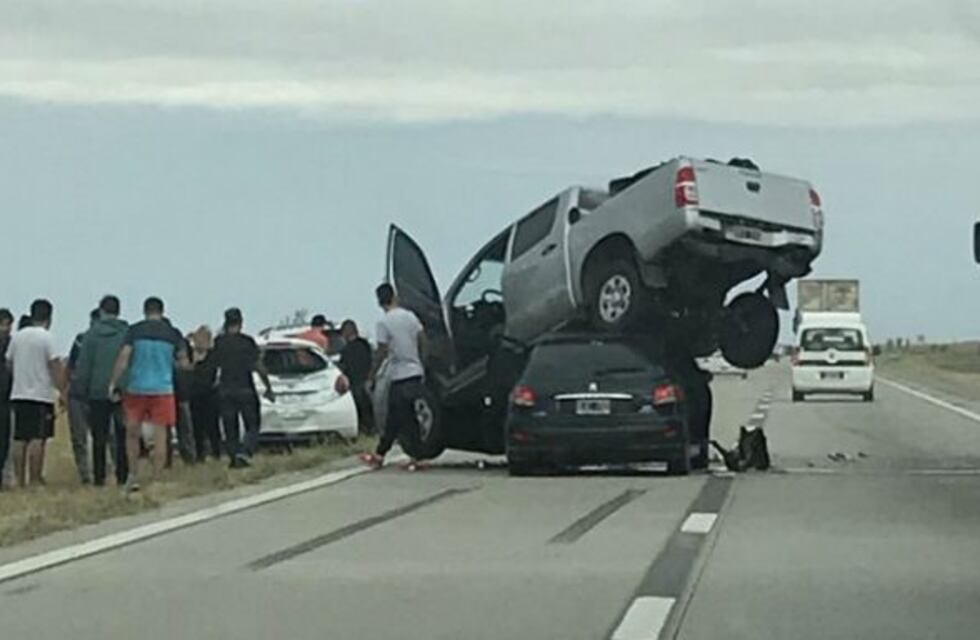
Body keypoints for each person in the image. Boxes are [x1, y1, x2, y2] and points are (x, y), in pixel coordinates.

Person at [108, 297, 190, 492]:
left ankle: (133, 475)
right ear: (162, 311)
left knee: (132, 433)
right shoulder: (173, 333)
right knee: (161, 435)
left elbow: (124, 358)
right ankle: (157, 477)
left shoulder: (134, 331)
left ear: (145, 311)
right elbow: (184, 363)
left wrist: (113, 382)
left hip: (137, 387)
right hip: (163, 389)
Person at [363, 284, 427, 468]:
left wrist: (372, 375)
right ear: (395, 297)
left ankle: (381, 454)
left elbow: (381, 351)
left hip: (399, 374)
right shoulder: (410, 316)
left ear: (379, 302)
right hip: (415, 372)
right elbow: (423, 340)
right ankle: (415, 456)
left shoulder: (384, 323)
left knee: (395, 417)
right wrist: (422, 362)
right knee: (407, 416)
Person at [6, 299, 66, 487]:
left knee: (20, 438)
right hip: (40, 395)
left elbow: (9, 363)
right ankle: (35, 478)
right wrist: (62, 390)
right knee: (37, 438)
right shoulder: (47, 338)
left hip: (18, 393)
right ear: (49, 317)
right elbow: (55, 365)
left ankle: (19, 479)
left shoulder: (17, 337)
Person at [74, 295, 129, 487]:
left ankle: (99, 477)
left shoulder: (91, 335)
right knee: (123, 434)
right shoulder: (127, 333)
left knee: (99, 436)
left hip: (96, 391)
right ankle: (123, 475)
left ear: (102, 311)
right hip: (122, 390)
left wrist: (80, 390)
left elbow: (84, 366)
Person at [212, 308, 275, 468]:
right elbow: (258, 366)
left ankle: (234, 457)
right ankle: (245, 451)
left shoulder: (219, 342)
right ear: (241, 322)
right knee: (253, 424)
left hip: (225, 389)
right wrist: (268, 387)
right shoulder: (247, 342)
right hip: (245, 388)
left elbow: (213, 366)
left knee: (229, 426)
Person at [65, 309, 100, 485]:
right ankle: (85, 474)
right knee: (80, 437)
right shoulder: (80, 340)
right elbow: (70, 366)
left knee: (100, 435)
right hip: (80, 393)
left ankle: (101, 470)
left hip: (94, 394)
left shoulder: (106, 341)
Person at [189, 326, 221, 462]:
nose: (200, 341)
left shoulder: (214, 355)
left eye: (203, 338)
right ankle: (199, 455)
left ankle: (216, 452)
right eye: (198, 338)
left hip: (210, 396)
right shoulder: (190, 355)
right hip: (194, 396)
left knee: (212, 426)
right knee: (196, 427)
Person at [339, 319, 375, 435]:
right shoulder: (365, 345)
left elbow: (343, 367)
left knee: (359, 409)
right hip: (368, 380)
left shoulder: (347, 350)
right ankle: (371, 428)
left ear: (346, 332)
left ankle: (364, 429)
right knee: (368, 408)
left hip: (355, 382)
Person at [0, 309, 14, 489]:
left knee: (4, 439)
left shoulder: (12, 343)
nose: (6, 328)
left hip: (6, 397)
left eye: (8, 325)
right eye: (2, 324)